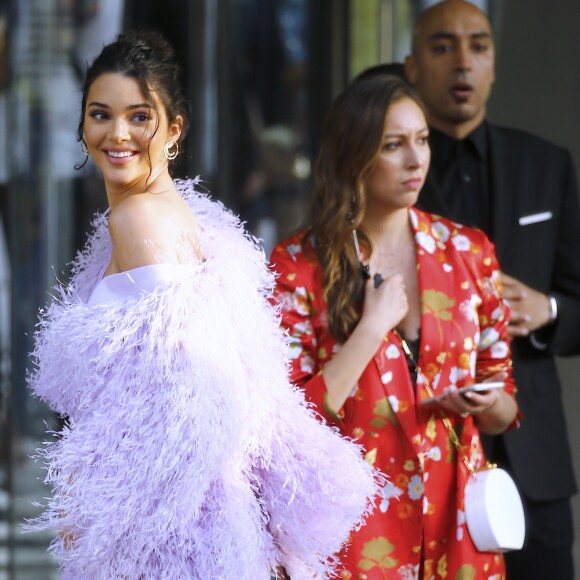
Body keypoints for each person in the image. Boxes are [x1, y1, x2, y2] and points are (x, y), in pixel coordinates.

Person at [27, 30, 378, 579]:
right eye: (101, 114)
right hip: (210, 529)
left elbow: (186, 400)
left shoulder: (137, 218)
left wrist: (101, 523)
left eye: (139, 116)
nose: (117, 134)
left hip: (169, 539)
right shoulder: (190, 218)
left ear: (174, 129)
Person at [270, 74, 520, 578]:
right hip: (355, 538)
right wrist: (371, 328)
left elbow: (506, 407)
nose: (416, 160)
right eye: (393, 145)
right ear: (355, 155)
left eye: (422, 140)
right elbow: (289, 423)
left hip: (458, 530)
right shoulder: (298, 264)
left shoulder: (468, 252)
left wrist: (484, 401)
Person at [404, 1, 580, 578]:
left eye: (478, 46)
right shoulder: (391, 169)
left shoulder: (546, 164)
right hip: (419, 444)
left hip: (533, 457)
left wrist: (550, 308)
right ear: (412, 66)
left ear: (494, 64)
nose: (463, 62)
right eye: (442, 46)